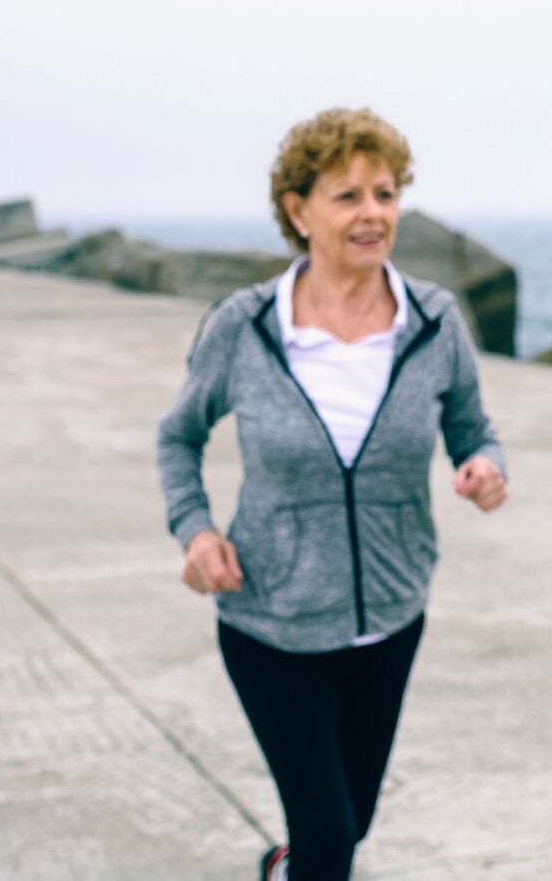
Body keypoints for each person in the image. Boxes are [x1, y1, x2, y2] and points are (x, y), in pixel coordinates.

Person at [156, 106, 508, 881]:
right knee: (330, 832)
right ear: (298, 211)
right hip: (271, 624)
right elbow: (178, 435)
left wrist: (484, 466)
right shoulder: (246, 326)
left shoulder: (434, 322)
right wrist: (196, 530)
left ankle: (285, 864)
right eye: (347, 195)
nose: (372, 213)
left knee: (351, 818)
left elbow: (473, 428)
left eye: (385, 193)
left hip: (391, 618)